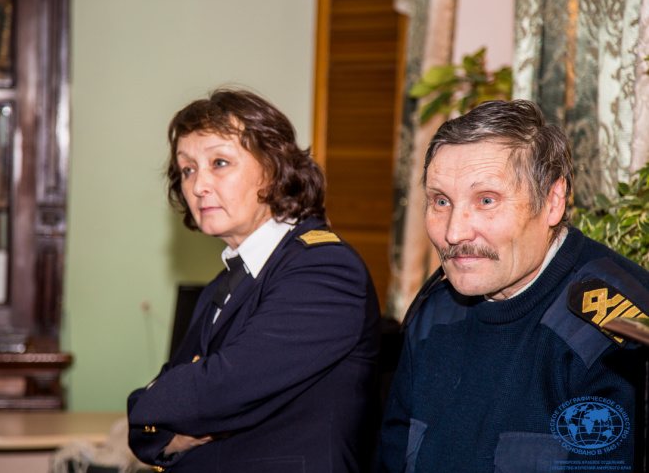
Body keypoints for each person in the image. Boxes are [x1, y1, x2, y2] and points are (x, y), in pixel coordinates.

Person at [375, 100, 649, 472]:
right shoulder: (435, 311)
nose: (454, 233)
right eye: (440, 201)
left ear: (552, 201)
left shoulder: (617, 330)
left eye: (486, 200)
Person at [127, 89, 381, 473]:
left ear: (274, 168)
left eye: (219, 163)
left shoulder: (325, 267)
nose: (198, 185)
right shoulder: (223, 283)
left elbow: (222, 390)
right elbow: (147, 431)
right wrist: (158, 421)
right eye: (188, 169)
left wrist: (140, 404)